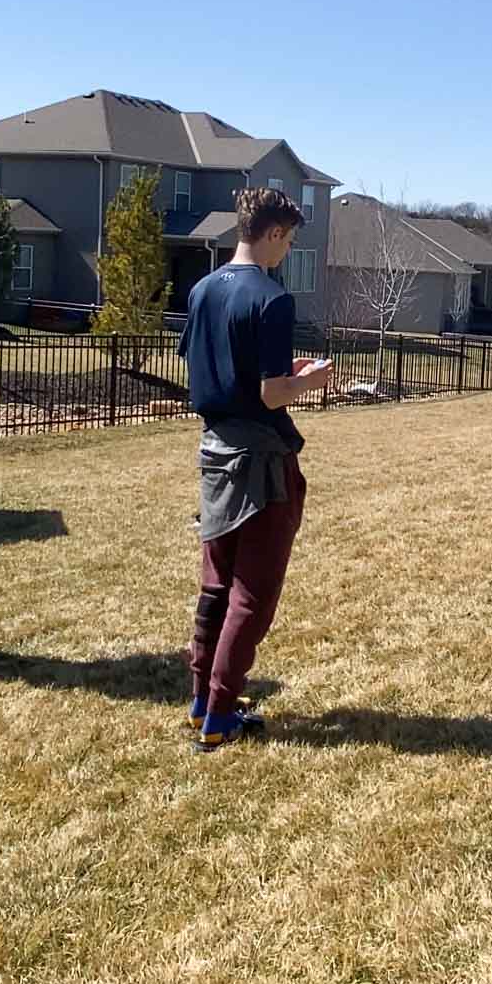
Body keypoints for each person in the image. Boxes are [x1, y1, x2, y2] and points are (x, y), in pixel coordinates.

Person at [178, 187, 332, 751]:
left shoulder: (201, 289)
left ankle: (200, 703)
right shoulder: (271, 297)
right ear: (271, 233)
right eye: (288, 239)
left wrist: (278, 373)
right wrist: (309, 381)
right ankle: (221, 714)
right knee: (253, 592)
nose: (287, 250)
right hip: (262, 461)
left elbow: (212, 365)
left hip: (213, 452)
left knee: (216, 584)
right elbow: (270, 395)